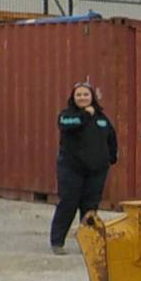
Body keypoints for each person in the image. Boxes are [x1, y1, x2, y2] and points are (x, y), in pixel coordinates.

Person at [50, 82, 118, 254]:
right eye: (79, 95)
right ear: (73, 98)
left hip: (96, 170)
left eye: (86, 95)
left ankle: (88, 243)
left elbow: (111, 137)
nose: (82, 98)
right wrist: (85, 115)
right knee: (68, 204)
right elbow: (68, 125)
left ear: (92, 97)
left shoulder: (102, 118)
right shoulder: (67, 115)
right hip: (72, 169)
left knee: (90, 207)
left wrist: (111, 157)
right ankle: (57, 242)